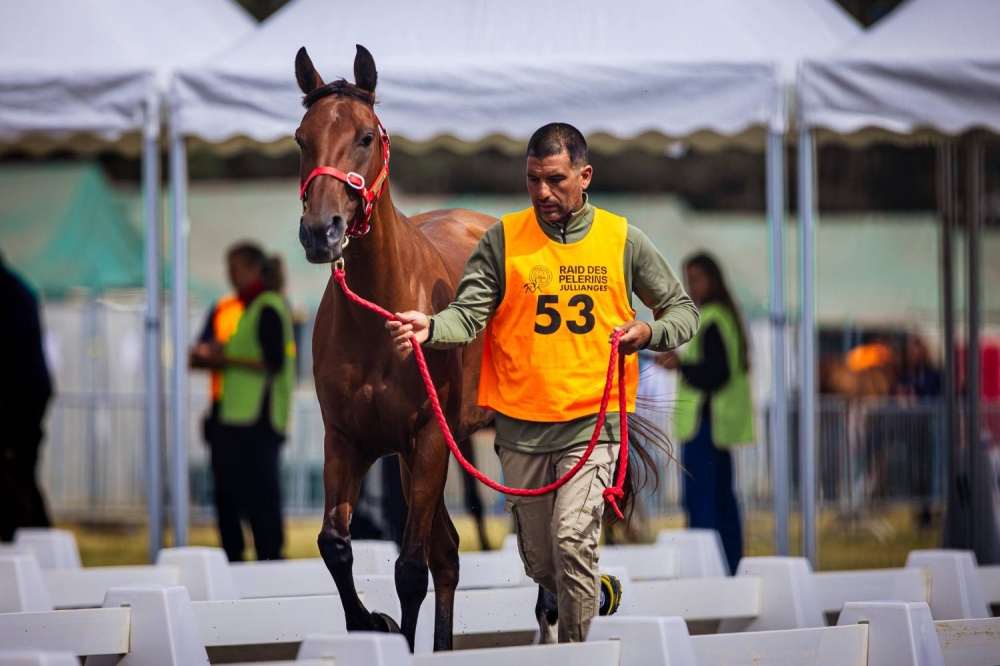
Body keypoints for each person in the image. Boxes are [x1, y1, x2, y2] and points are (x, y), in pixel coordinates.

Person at [387, 123, 700, 642]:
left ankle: (575, 654)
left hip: (592, 427)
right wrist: (430, 328)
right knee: (541, 561)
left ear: (585, 176)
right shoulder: (502, 241)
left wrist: (649, 330)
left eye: (555, 179)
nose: (542, 192)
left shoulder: (623, 240)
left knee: (573, 540)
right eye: (533, 179)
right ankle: (593, 592)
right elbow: (467, 316)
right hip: (522, 429)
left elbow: (684, 312)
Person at [190, 243, 295, 561]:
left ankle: (267, 559)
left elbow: (272, 361)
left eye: (234, 267)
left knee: (257, 496)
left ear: (252, 269)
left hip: (256, 419)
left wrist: (226, 358)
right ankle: (245, 557)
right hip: (239, 416)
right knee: (234, 494)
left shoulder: (266, 307)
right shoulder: (249, 307)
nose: (229, 275)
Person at [659, 252, 754, 575]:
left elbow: (716, 372)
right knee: (723, 503)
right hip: (718, 426)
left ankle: (708, 574)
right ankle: (729, 568)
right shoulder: (725, 315)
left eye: (696, 278)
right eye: (688, 279)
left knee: (703, 506)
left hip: (706, 424)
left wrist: (679, 365)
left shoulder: (712, 316)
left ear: (712, 279)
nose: (691, 286)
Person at [0, 253, 53, 541]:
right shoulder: (19, 289)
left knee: (15, 478)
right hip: (26, 396)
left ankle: (28, 547)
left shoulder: (8, 292)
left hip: (15, 400)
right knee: (20, 476)